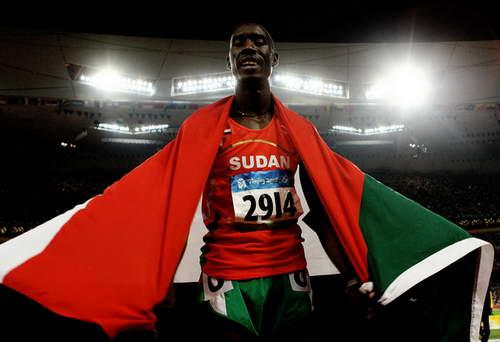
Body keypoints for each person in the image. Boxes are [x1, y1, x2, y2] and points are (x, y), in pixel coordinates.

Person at [195, 22, 374, 341]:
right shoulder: (204, 129)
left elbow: (321, 213)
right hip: (226, 275)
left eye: (259, 41)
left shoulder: (300, 131)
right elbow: (171, 208)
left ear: (273, 58)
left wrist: (350, 277)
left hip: (289, 274)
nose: (249, 47)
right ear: (229, 61)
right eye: (239, 43)